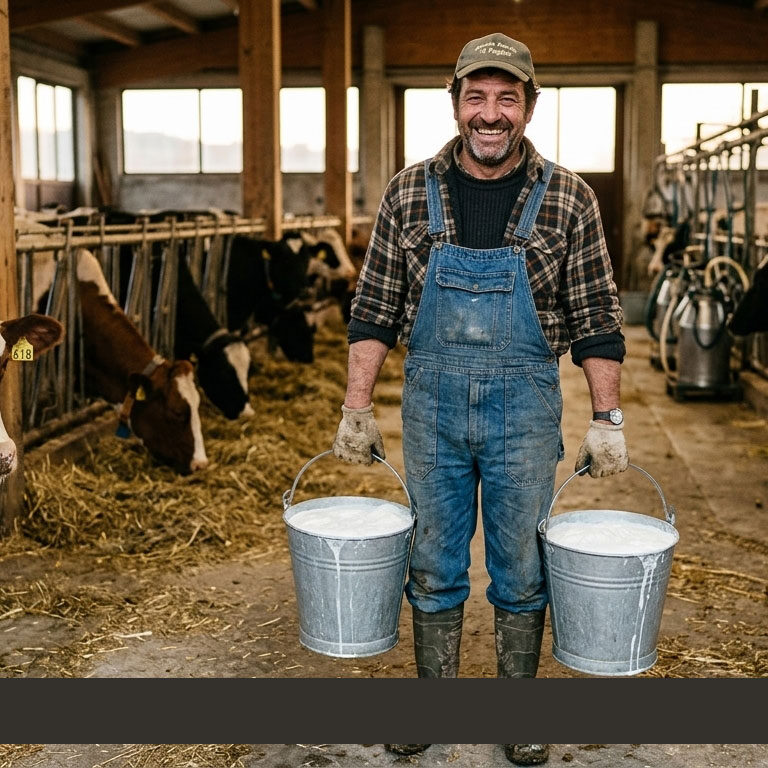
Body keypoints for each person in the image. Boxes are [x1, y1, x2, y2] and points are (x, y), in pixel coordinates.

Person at [335, 32, 628, 765]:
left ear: (528, 106)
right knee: (432, 562)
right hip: (430, 407)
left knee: (522, 567)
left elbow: (596, 316)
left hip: (524, 412)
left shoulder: (569, 197)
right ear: (455, 101)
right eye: (477, 96)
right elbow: (373, 308)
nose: (490, 114)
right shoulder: (409, 191)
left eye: (506, 98)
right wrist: (357, 405)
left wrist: (607, 418)